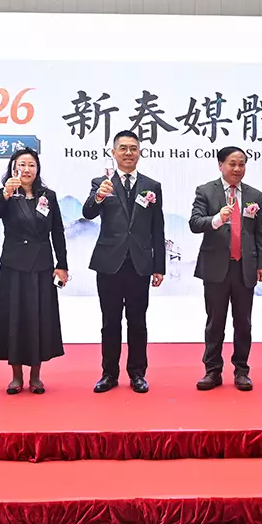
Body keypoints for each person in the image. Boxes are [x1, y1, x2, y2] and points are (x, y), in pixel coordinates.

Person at [82, 130, 165, 394]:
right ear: (113, 152)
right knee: (110, 322)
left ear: (139, 152)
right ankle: (109, 373)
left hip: (139, 264)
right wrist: (98, 196)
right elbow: (88, 212)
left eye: (133, 148)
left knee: (138, 322)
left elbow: (157, 228)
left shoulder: (152, 186)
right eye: (123, 148)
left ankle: (138, 373)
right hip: (109, 263)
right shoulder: (102, 182)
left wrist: (159, 266)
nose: (128, 153)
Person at [188, 146, 262, 391]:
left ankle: (241, 370)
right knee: (215, 322)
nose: (237, 169)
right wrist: (217, 219)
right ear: (220, 165)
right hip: (216, 267)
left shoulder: (255, 194)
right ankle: (212, 370)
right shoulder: (205, 191)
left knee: (243, 323)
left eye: (241, 164)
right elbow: (195, 223)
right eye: (232, 164)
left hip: (245, 267)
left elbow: (260, 233)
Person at [0, 148, 68, 394]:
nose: (26, 169)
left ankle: (35, 375)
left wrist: (62, 265)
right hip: (13, 265)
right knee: (14, 317)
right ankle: (16, 376)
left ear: (37, 169)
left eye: (31, 165)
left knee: (38, 318)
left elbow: (57, 231)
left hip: (41, 265)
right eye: (21, 165)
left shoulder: (48, 196)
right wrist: (6, 193)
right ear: (13, 169)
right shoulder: (6, 194)